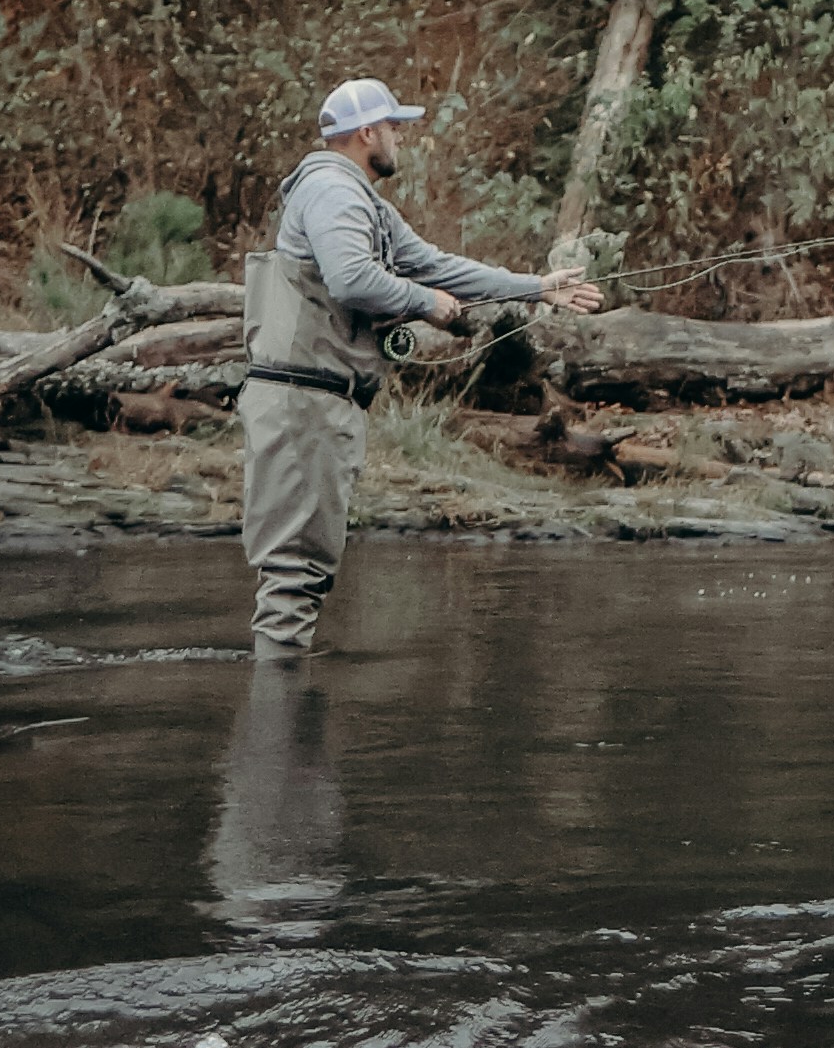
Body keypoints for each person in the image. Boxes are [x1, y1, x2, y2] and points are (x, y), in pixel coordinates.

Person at [242, 78, 596, 663]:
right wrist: (425, 303)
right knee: (293, 572)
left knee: (303, 571)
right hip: (302, 403)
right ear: (366, 133)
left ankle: (281, 727)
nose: (401, 137)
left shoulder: (364, 201)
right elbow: (352, 278)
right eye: (394, 127)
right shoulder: (334, 192)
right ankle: (276, 738)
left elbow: (434, 263)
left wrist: (537, 288)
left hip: (318, 403)